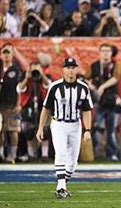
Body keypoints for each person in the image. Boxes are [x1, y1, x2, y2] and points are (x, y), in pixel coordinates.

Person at [36, 58, 93, 198]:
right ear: (63, 70)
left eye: (73, 67)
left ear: (77, 69)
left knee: (73, 162)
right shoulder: (55, 87)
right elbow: (46, 108)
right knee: (61, 153)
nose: (71, 70)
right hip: (59, 123)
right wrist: (40, 128)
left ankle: (61, 185)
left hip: (75, 124)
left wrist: (87, 129)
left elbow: (87, 110)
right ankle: (61, 188)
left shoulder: (83, 87)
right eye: (68, 67)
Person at [85, 44, 121, 161]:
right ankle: (94, 152)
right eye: (103, 51)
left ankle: (112, 153)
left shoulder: (115, 65)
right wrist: (91, 86)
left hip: (111, 101)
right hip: (98, 101)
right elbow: (86, 78)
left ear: (111, 53)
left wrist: (102, 87)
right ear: (100, 52)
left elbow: (116, 78)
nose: (105, 53)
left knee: (111, 131)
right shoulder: (94, 65)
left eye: (108, 51)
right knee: (95, 128)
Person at [16, 61, 52, 161]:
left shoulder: (45, 76)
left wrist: (42, 74)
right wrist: (27, 78)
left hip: (43, 106)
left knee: (45, 130)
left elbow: (48, 85)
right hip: (29, 107)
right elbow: (20, 89)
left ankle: (45, 155)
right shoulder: (24, 76)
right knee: (29, 131)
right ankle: (31, 154)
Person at [0, 44, 22, 163]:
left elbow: (20, 89)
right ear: (0, 55)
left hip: (12, 105)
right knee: (0, 130)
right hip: (0, 105)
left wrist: (18, 104)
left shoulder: (16, 71)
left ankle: (13, 155)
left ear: (12, 55)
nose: (6, 55)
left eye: (8, 52)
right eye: (4, 52)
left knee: (13, 130)